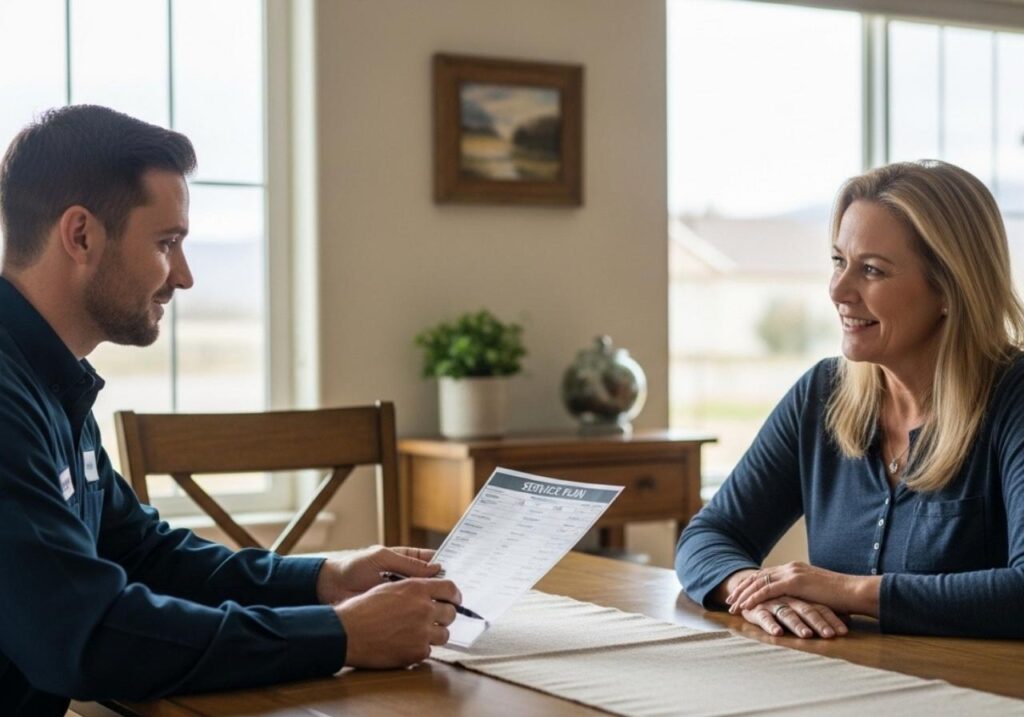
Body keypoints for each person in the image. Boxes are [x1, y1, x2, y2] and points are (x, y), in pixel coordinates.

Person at [0, 105, 461, 716]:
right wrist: (343, 635)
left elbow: (143, 554)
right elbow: (91, 636)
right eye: (167, 243)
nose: (184, 277)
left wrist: (324, 579)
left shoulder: (49, 380)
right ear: (81, 234)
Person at [675, 160, 1024, 640]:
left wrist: (846, 591)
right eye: (839, 261)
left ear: (949, 287)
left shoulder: (1014, 397)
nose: (839, 290)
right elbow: (708, 535)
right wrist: (752, 590)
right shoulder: (822, 393)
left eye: (872, 270)